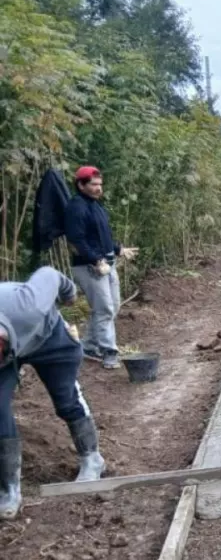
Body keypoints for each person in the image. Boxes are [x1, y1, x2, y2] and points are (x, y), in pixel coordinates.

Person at [0, 267, 107, 520]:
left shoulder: (28, 305)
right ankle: (9, 490)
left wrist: (69, 294)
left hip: (48, 337)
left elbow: (50, 273)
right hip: (10, 353)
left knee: (66, 398)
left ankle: (92, 458)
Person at [64, 166, 137, 369]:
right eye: (94, 185)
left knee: (113, 305)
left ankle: (88, 345)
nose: (99, 188)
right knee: (104, 309)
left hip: (107, 264)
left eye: (100, 184)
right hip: (90, 267)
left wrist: (119, 249)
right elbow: (76, 240)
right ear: (81, 185)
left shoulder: (95, 206)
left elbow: (101, 238)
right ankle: (109, 352)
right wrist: (95, 260)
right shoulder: (76, 207)